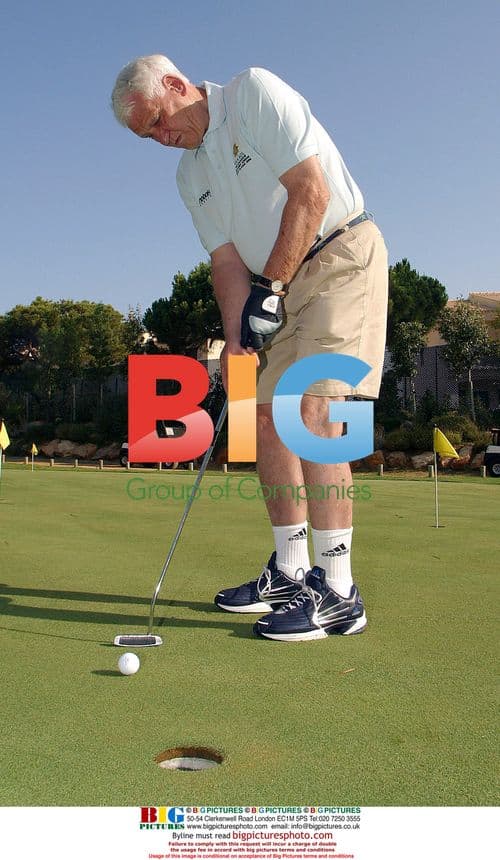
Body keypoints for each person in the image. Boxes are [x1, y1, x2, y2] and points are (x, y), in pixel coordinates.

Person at [111, 55, 388, 642]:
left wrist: (273, 289)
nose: (162, 139)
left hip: (340, 257)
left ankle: (339, 590)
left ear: (176, 85)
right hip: (272, 285)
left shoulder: (253, 94)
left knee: (312, 410)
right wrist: (237, 339)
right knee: (264, 418)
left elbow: (310, 192)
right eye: (148, 137)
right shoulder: (190, 174)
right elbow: (226, 262)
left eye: (160, 121)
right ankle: (290, 573)